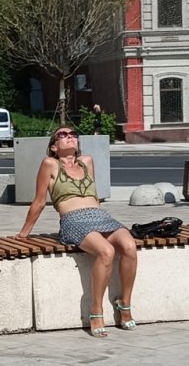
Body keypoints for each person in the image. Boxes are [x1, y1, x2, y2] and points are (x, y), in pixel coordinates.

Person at [16, 127, 138, 337]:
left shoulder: (87, 161)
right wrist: (24, 233)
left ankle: (124, 303)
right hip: (73, 220)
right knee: (106, 252)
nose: (69, 137)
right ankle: (96, 310)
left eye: (72, 134)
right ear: (54, 147)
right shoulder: (50, 164)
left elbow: (95, 195)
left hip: (100, 216)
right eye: (62, 135)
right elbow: (38, 201)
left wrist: (100, 214)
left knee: (129, 246)